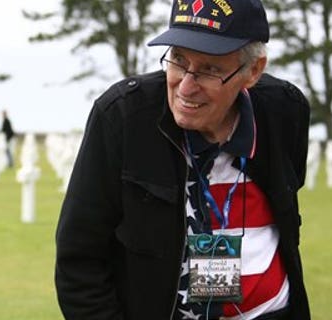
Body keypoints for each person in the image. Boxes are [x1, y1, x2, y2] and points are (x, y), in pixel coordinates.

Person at [55, 1, 311, 320]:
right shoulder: (122, 117)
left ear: (253, 71)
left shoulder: (285, 110)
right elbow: (80, 261)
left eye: (210, 69)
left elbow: (288, 200)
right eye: (178, 60)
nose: (186, 87)